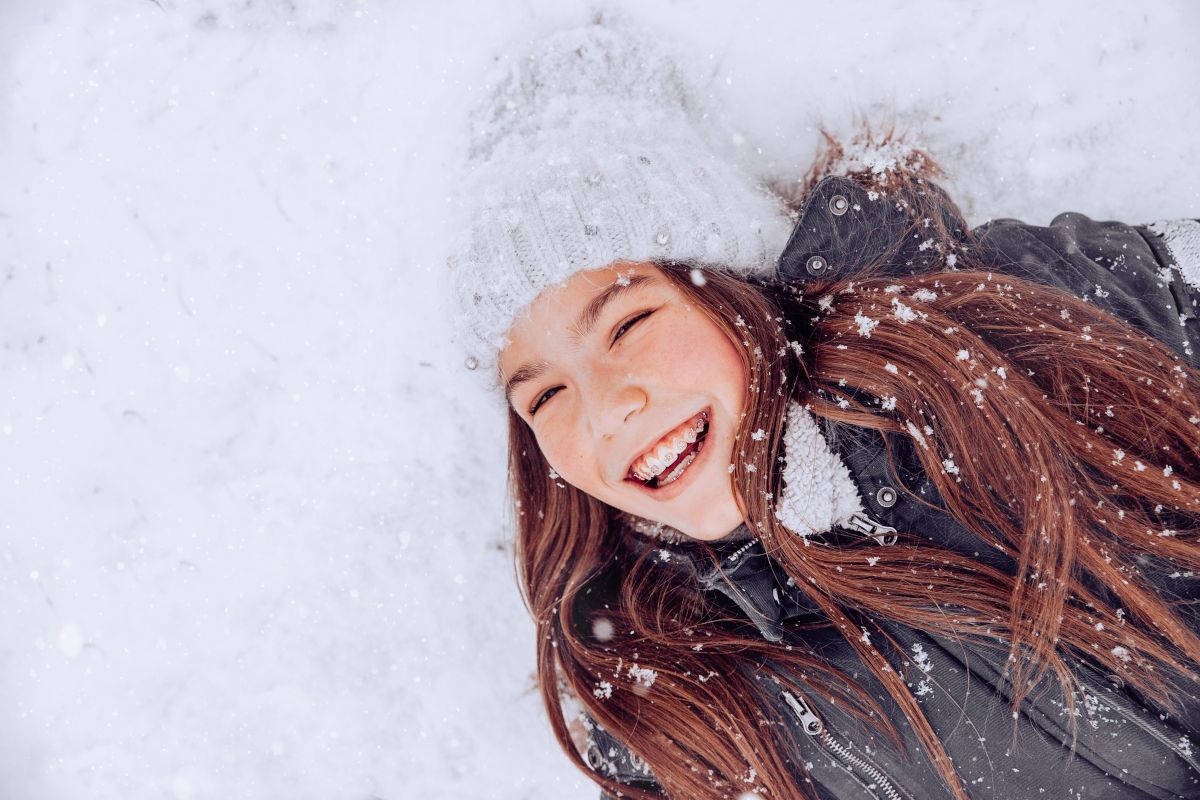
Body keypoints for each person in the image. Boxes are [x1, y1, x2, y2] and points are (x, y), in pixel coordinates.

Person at [446, 19, 1200, 800]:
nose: (606, 411)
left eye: (629, 326)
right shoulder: (665, 700)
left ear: (730, 287)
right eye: (545, 395)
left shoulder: (997, 330)